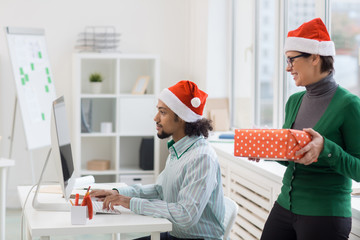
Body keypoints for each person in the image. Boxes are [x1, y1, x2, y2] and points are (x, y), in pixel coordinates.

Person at [257, 18, 360, 240]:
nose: (287, 67)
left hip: (325, 215)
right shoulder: (294, 101)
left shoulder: (349, 104)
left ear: (314, 57)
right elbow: (292, 157)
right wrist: (265, 150)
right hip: (285, 206)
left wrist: (326, 148)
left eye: (292, 60)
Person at [90, 80, 225, 240]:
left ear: (181, 117)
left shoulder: (201, 158)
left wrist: (130, 202)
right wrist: (118, 193)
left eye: (163, 112)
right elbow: (161, 191)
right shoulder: (178, 150)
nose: (155, 118)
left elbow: (185, 215)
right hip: (177, 235)